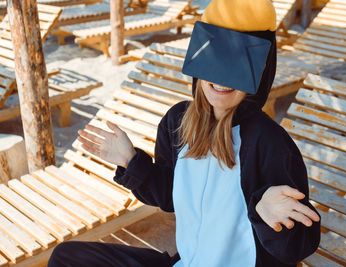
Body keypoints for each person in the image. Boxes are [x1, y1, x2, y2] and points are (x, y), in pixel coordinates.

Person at [48, 0, 320, 266]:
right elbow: (170, 196)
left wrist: (266, 216)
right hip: (188, 261)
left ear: (261, 71)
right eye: (216, 58)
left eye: (238, 64)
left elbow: (298, 246)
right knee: (68, 257)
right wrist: (131, 161)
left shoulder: (270, 143)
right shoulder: (178, 121)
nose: (223, 79)